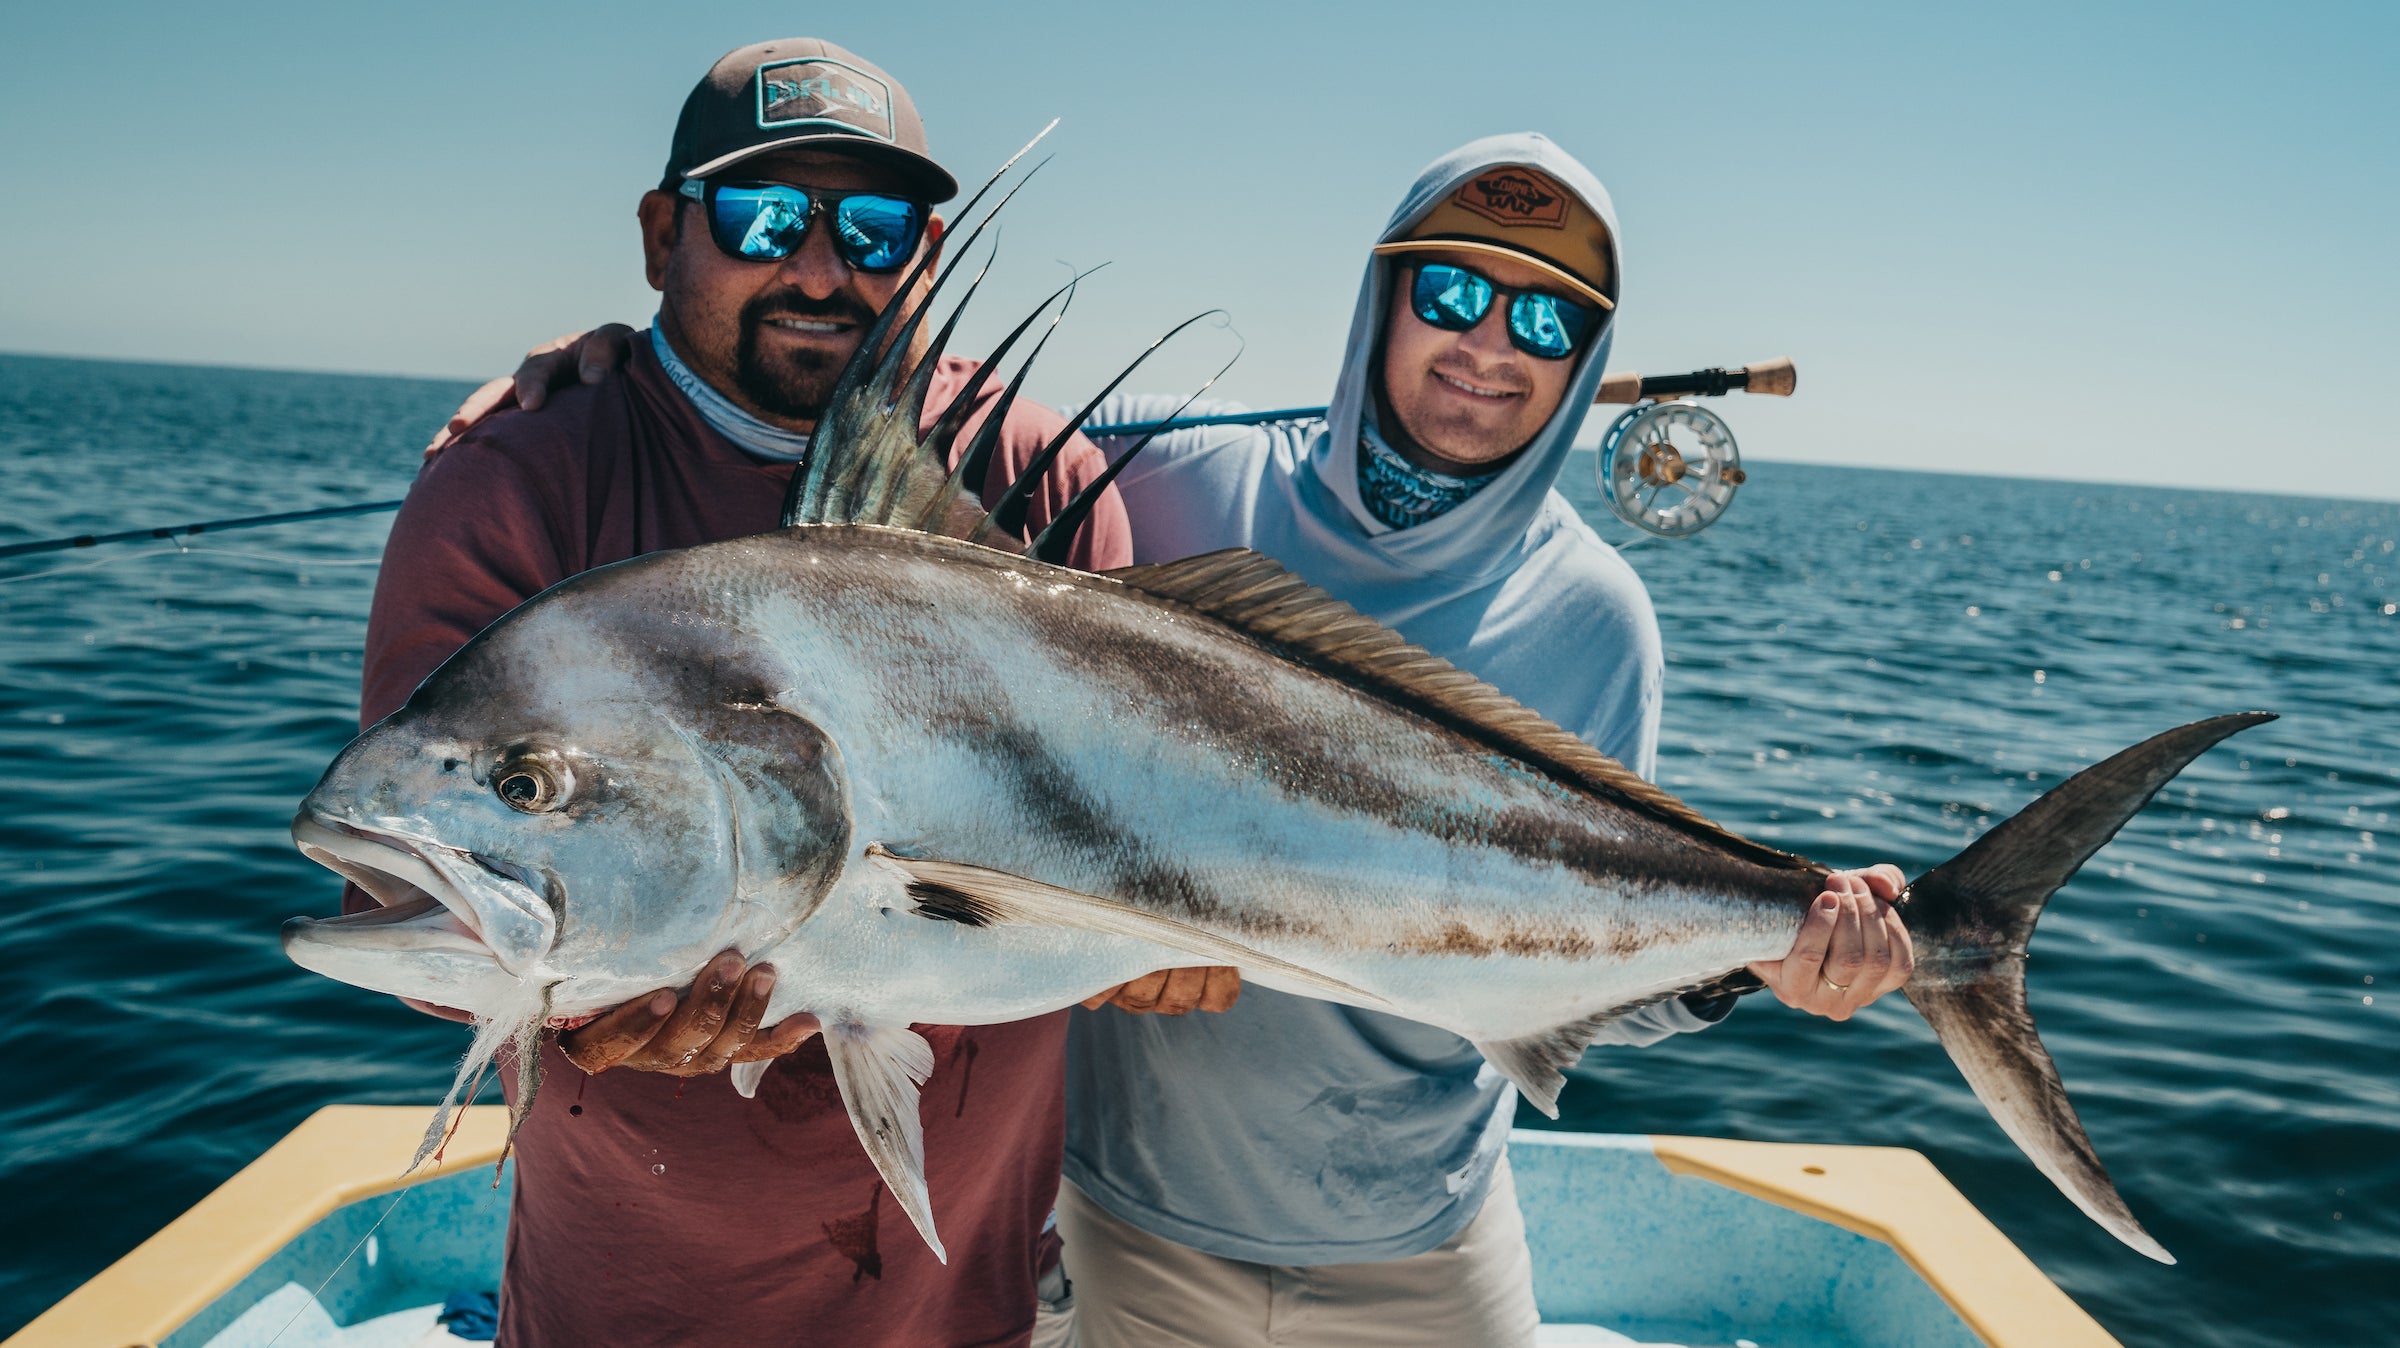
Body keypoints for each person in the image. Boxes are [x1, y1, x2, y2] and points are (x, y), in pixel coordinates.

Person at [477, 135, 1913, 1346]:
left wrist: (1754, 965)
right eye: (1453, 293)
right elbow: (919, 452)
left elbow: (1590, 951)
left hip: (1427, 1235)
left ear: (1590, 356)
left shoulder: (1598, 616)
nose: (1486, 347)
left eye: (1546, 323)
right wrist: (630, 360)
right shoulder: (1174, 479)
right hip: (1133, 1223)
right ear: (1382, 303)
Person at [361, 38, 1149, 1347]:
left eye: (876, 227)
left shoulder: (1043, 482)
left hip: (977, 1297)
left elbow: (1130, 834)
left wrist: (1173, 947)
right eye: (765, 216)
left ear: (932, 252)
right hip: (626, 1304)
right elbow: (406, 898)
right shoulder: (515, 483)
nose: (823, 269)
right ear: (664, 231)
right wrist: (581, 1010)